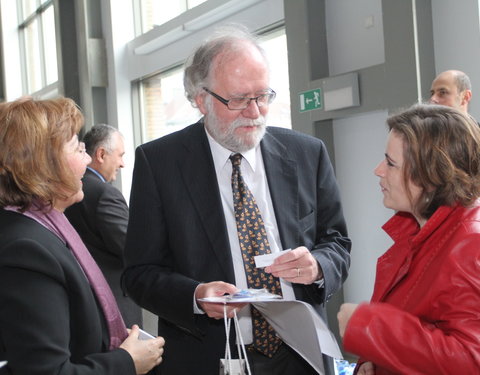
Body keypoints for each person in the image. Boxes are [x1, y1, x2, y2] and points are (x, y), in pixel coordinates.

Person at [122, 25, 351, 375]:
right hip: (209, 355)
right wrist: (196, 296)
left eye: (263, 96)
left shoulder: (307, 153)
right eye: (238, 99)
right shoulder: (160, 163)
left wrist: (318, 266)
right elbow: (139, 273)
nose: (255, 111)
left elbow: (337, 242)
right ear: (200, 99)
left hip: (302, 355)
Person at [0, 97, 165, 375]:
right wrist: (126, 362)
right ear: (46, 164)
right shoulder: (26, 248)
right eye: (78, 149)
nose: (88, 159)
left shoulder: (42, 226)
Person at [337, 103, 480, 374]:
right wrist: (376, 361)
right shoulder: (420, 231)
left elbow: (471, 360)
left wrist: (369, 327)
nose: (378, 170)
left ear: (430, 176)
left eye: (391, 163)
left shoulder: (470, 245)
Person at [65, 124, 143, 328]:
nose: (123, 163)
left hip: (82, 299)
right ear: (101, 154)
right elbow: (131, 248)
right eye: (120, 155)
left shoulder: (70, 188)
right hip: (113, 301)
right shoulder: (105, 193)